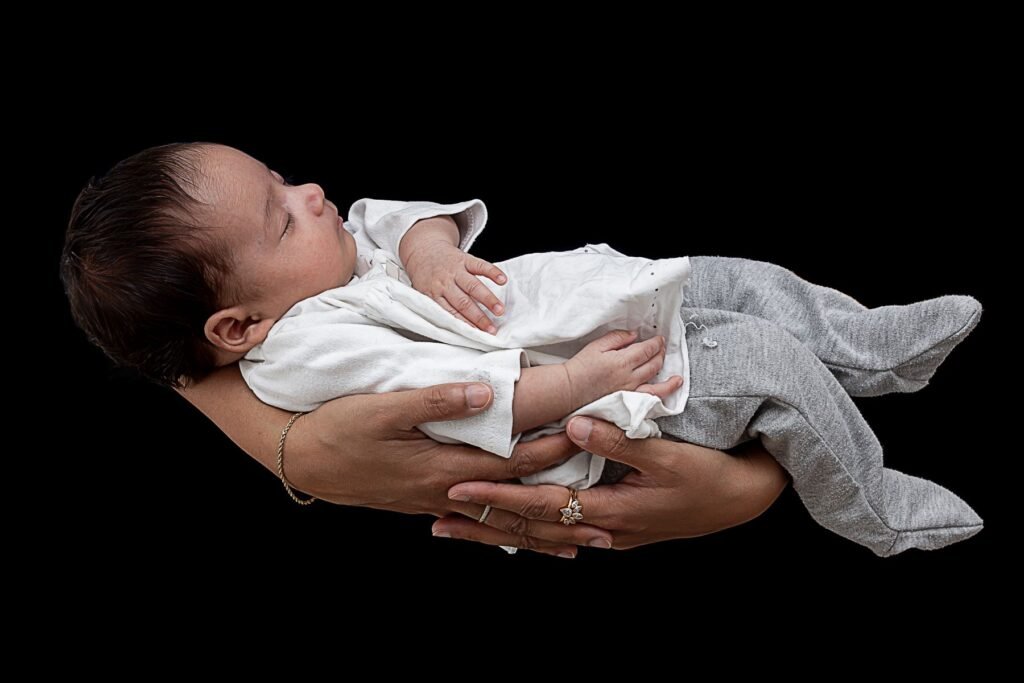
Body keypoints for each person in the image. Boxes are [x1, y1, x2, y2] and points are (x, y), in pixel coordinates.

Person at [62, 142, 983, 556]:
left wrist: (425, 244)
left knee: (743, 278)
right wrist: (582, 378)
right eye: (280, 211)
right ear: (237, 328)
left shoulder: (322, 265)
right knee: (767, 366)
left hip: (612, 304)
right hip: (618, 394)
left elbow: (400, 218)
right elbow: (457, 392)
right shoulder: (306, 346)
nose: (312, 190)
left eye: (281, 175)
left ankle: (877, 346)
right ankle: (876, 506)